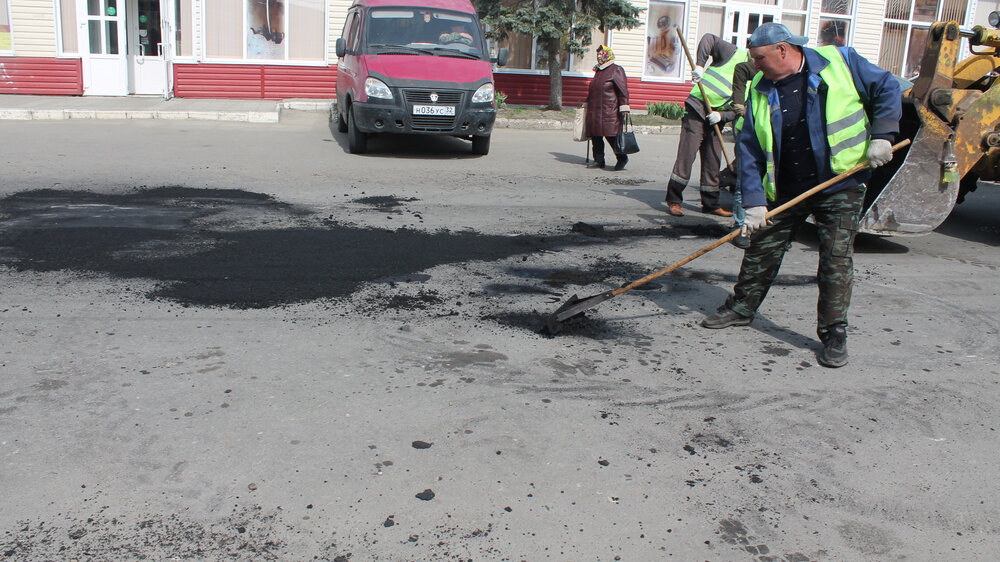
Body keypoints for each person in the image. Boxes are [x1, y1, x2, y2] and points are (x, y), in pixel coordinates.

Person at [700, 23, 901, 368]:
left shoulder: (840, 61)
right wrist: (754, 201)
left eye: (760, 58)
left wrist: (883, 134)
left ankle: (834, 332)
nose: (755, 66)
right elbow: (748, 149)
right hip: (788, 187)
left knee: (836, 260)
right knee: (762, 247)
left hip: (839, 182)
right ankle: (741, 308)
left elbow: (887, 86)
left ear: (782, 49)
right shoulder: (761, 90)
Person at [665, 33, 746, 217]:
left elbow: (742, 108)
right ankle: (674, 199)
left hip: (717, 116)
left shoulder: (757, 78)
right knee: (687, 154)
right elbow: (708, 38)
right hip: (698, 106)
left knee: (713, 158)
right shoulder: (734, 54)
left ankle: (710, 204)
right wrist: (700, 66)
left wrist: (722, 115)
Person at [723, 57, 758, 249]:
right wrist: (739, 105)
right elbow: (743, 68)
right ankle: (740, 227)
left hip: (772, 137)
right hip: (750, 132)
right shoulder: (762, 73)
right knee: (744, 181)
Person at [585, 45, 631, 171]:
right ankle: (599, 160)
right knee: (595, 136)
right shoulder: (599, 71)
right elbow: (594, 90)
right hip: (595, 109)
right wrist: (586, 103)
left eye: (601, 54)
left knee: (612, 136)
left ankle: (622, 158)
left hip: (609, 110)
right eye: (598, 54)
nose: (599, 56)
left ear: (607, 54)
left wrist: (624, 106)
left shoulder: (616, 70)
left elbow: (623, 90)